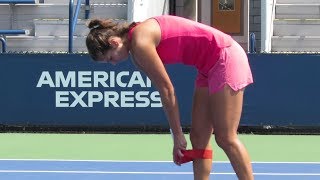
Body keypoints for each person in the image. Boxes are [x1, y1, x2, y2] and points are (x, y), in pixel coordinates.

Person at [85, 15, 254, 180]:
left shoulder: (140, 42)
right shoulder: (136, 52)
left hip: (225, 56)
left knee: (226, 138)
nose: (113, 63)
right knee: (198, 137)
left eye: (110, 58)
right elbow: (164, 91)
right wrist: (177, 137)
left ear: (114, 42)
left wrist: (178, 136)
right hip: (207, 68)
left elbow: (167, 90)